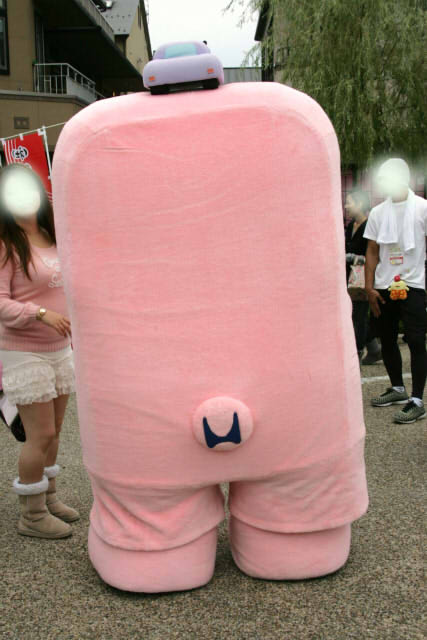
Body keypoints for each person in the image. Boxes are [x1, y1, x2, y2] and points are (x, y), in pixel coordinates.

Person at [0, 163, 78, 538]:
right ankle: (31, 516)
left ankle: (48, 497)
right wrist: (41, 313)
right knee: (40, 434)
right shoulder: (6, 241)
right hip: (24, 351)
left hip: (60, 349)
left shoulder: (51, 233)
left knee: (56, 430)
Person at [364, 158, 427, 424]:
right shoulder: (378, 212)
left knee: (416, 340)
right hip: (384, 285)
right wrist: (369, 287)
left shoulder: (423, 208)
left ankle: (417, 400)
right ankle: (398, 389)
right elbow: (372, 250)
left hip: (414, 284)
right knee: (387, 338)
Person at [345, 189, 381, 364]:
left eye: (349, 202)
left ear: (359, 204)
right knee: (355, 316)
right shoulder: (351, 225)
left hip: (363, 279)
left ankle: (357, 354)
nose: (346, 206)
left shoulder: (369, 226)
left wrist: (351, 257)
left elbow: (373, 254)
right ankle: (374, 349)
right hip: (350, 279)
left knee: (358, 317)